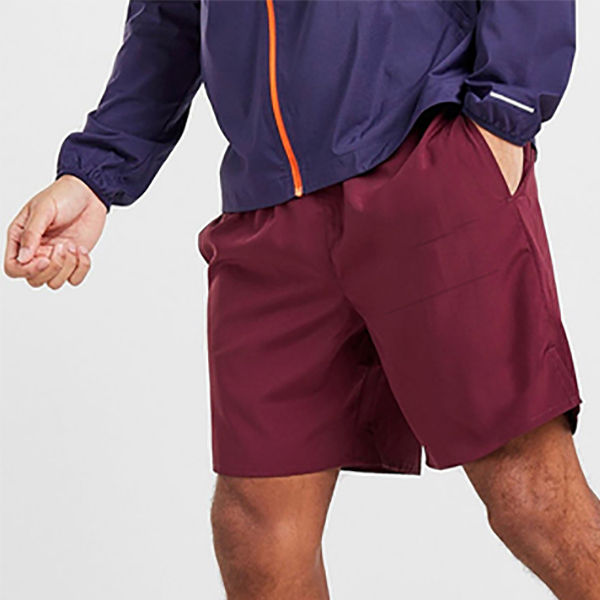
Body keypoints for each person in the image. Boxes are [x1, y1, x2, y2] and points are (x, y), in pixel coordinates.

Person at [4, 1, 599, 598]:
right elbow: (170, 15)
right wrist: (95, 173)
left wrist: (506, 110)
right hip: (266, 204)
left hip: (423, 148)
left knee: (531, 492)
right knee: (255, 527)